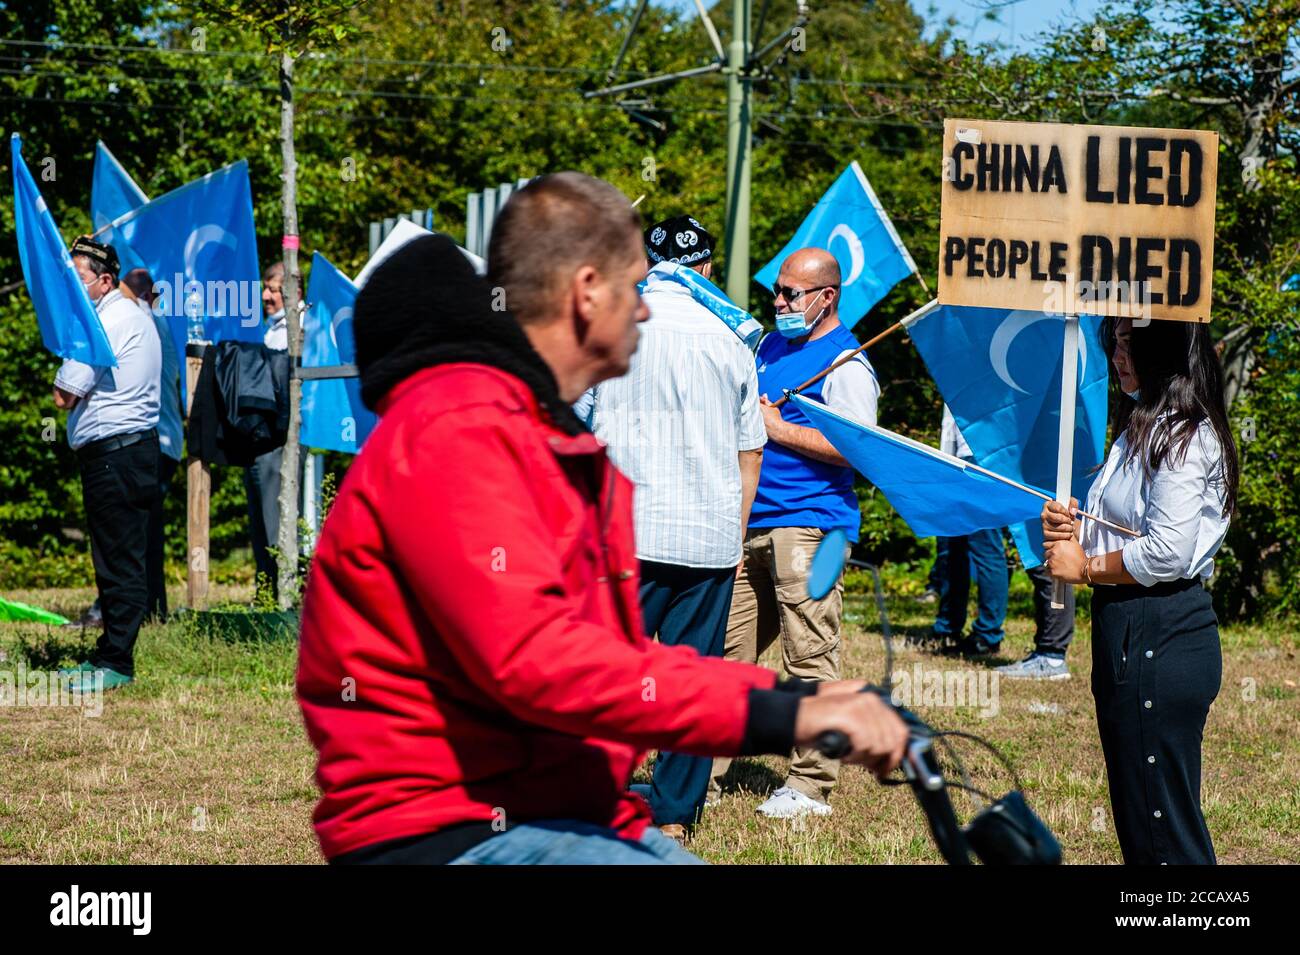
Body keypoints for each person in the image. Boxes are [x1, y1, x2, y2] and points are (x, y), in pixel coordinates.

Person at [295, 173, 908, 865]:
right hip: (451, 830)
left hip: (555, 812)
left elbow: (620, 663)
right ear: (589, 292)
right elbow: (543, 663)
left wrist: (799, 695)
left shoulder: (549, 437)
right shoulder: (463, 426)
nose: (646, 312)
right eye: (636, 286)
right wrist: (790, 712)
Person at [574, 215, 766, 837]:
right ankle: (678, 815)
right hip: (707, 535)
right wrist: (736, 539)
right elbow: (750, 451)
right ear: (706, 268)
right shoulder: (733, 337)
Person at [1042, 315, 1237, 865]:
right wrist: (1071, 531)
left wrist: (1084, 568)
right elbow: (1123, 530)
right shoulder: (1139, 425)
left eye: (1132, 341)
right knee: (1142, 817)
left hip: (1161, 629)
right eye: (1115, 341)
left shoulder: (1183, 434)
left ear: (1168, 350)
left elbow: (1167, 553)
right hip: (1131, 629)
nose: (1119, 354)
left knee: (1164, 830)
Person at [709, 247, 880, 819]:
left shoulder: (847, 360)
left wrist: (777, 428)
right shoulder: (770, 346)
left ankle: (810, 788)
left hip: (811, 526)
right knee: (724, 657)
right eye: (777, 291)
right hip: (752, 523)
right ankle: (697, 776)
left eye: (791, 294)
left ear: (826, 297)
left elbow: (857, 452)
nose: (778, 302)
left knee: (809, 656)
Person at [53, 238, 162, 691]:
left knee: (119, 561)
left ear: (104, 281)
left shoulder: (106, 322)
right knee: (118, 558)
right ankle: (109, 655)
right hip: (126, 454)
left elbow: (63, 395)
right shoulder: (122, 315)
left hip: (117, 456)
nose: (73, 290)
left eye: (79, 281)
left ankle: (117, 663)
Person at [122, 268, 183, 621]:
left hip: (156, 442)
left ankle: (146, 608)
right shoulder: (156, 325)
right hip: (163, 442)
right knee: (145, 528)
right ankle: (150, 607)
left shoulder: (146, 325)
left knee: (140, 529)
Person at [931, 404, 1008, 658]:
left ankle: (987, 634)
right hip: (954, 460)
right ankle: (948, 626)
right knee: (952, 547)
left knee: (985, 547)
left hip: (985, 455)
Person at [244, 260, 290, 601]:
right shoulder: (268, 328)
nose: (266, 295)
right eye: (266, 288)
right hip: (258, 439)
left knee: (276, 520)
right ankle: (265, 591)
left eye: (274, 289)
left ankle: (282, 590)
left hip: (280, 440)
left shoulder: (298, 329)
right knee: (259, 518)